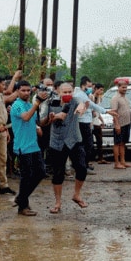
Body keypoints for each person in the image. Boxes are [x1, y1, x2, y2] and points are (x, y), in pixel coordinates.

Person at [10, 80, 51, 216]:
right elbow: (26, 117)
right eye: (23, 90)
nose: (26, 93)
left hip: (33, 145)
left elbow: (38, 122)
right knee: (26, 176)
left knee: (40, 172)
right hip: (22, 146)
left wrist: (50, 119)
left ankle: (21, 198)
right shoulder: (17, 105)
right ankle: (23, 206)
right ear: (17, 91)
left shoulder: (29, 104)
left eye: (28, 90)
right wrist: (37, 103)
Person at [47, 83, 89, 212]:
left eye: (69, 92)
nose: (67, 94)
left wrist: (82, 108)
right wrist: (53, 118)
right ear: (58, 92)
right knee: (58, 173)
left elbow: (83, 104)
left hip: (74, 139)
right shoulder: (51, 103)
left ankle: (76, 194)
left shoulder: (75, 100)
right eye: (64, 92)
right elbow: (45, 121)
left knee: (82, 168)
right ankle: (58, 203)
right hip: (57, 141)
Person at [111, 80, 131, 169]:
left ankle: (123, 161)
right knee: (117, 143)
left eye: (126, 87)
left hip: (127, 122)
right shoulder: (115, 98)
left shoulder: (125, 97)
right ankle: (117, 163)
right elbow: (114, 112)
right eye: (123, 87)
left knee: (123, 143)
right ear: (118, 87)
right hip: (120, 124)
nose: (125, 89)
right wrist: (117, 124)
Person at [91, 83, 109, 164]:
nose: (101, 91)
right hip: (91, 122)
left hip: (97, 121)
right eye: (100, 89)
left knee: (99, 141)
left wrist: (102, 120)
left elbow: (98, 111)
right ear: (96, 89)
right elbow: (91, 109)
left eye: (102, 90)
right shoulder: (91, 97)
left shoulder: (99, 98)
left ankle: (100, 158)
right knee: (91, 141)